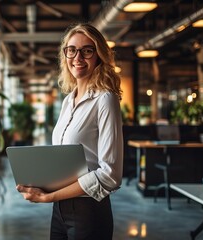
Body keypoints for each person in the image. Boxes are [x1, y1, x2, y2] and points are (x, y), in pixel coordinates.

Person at [16, 22, 124, 240]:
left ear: (98, 56)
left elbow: (111, 175)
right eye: (72, 50)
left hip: (89, 211)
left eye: (87, 50)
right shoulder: (68, 101)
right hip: (60, 210)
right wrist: (40, 182)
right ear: (65, 55)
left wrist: (50, 196)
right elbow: (65, 158)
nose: (78, 57)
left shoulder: (105, 99)